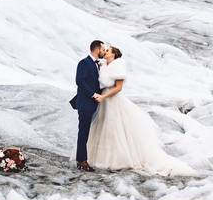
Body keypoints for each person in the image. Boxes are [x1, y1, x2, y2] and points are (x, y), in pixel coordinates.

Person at [86, 45, 195, 176]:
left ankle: (118, 159)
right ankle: (100, 157)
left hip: (111, 99)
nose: (105, 52)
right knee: (102, 127)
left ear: (114, 55)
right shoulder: (104, 65)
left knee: (114, 128)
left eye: (108, 50)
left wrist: (104, 96)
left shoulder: (118, 66)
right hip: (104, 101)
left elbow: (118, 88)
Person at [72, 39, 105, 172]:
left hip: (93, 105)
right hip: (85, 103)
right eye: (102, 49)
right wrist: (93, 95)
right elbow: (79, 81)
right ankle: (81, 161)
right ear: (97, 49)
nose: (103, 51)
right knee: (83, 132)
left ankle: (84, 159)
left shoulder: (98, 64)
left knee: (87, 132)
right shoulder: (83, 63)